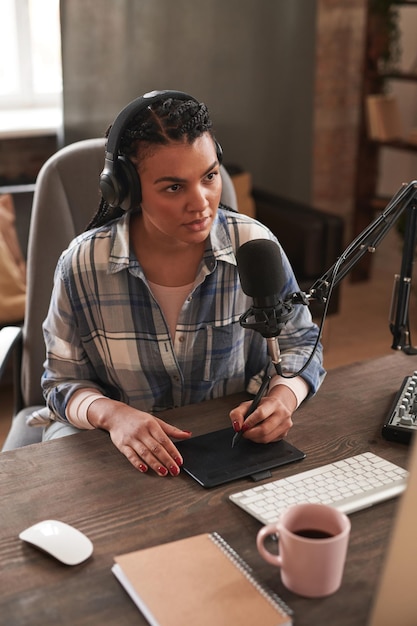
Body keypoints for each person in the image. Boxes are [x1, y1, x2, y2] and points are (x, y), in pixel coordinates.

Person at [41, 89, 325, 477]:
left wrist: (283, 398)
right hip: (118, 455)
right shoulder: (82, 265)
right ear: (128, 190)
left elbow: (301, 342)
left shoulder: (254, 246)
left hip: (227, 450)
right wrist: (114, 415)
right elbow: (61, 381)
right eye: (174, 187)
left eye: (209, 177)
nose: (201, 203)